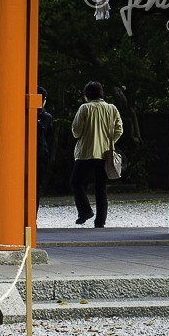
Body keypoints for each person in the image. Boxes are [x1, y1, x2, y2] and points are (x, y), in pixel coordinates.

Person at [70, 80, 123, 227]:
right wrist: (110, 143)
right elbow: (119, 129)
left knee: (76, 182)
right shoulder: (112, 109)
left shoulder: (85, 108)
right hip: (105, 153)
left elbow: (76, 131)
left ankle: (85, 210)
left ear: (87, 94)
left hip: (86, 152)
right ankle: (100, 221)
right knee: (101, 187)